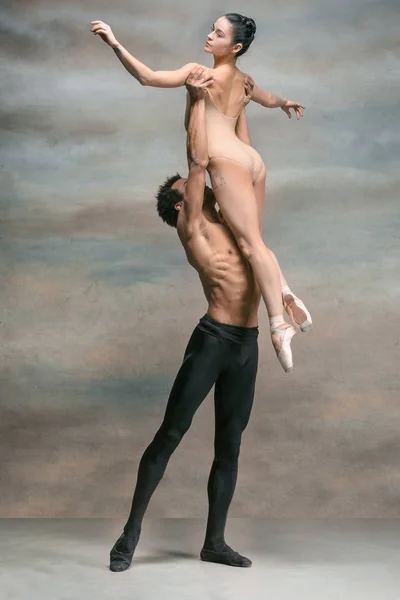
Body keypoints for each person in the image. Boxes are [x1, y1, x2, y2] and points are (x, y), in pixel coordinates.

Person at [108, 66, 296, 573]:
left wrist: (247, 103)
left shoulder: (236, 223)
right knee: (170, 435)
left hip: (247, 343)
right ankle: (129, 535)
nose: (206, 188)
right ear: (179, 203)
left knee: (229, 445)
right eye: (189, 188)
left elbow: (238, 156)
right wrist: (193, 100)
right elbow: (198, 159)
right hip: (211, 341)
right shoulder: (192, 225)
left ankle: (215, 541)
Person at [89, 13, 312, 373]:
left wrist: (115, 44)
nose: (209, 35)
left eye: (218, 33)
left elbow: (147, 77)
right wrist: (285, 102)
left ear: (235, 46)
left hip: (227, 164)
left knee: (251, 244)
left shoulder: (200, 74)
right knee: (254, 241)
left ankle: (278, 326)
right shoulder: (244, 82)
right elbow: (268, 98)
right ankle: (284, 291)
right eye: (212, 29)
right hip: (252, 160)